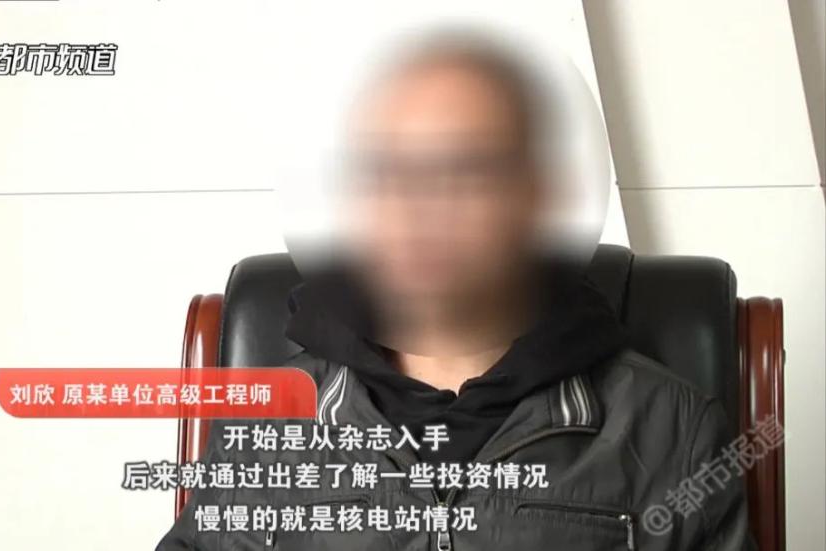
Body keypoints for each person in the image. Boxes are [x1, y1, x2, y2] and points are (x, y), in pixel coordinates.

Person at [156, 30, 752, 550]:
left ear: (537, 196)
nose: (423, 210)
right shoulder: (266, 428)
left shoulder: (671, 428)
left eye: (467, 171)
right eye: (390, 172)